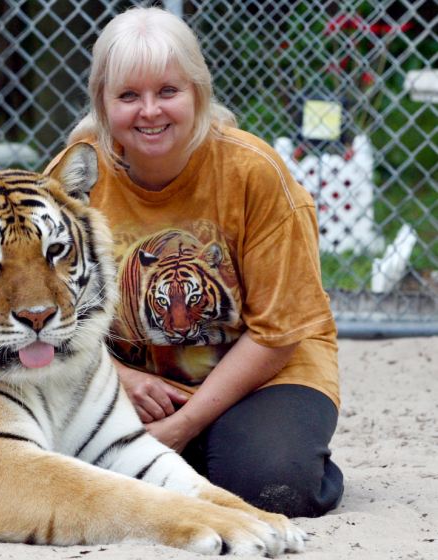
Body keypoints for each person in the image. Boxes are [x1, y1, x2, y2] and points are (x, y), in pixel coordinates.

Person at [51, 6, 343, 518]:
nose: (150, 112)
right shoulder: (76, 174)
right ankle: (206, 452)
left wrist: (179, 429)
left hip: (263, 371)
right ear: (102, 101)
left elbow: (278, 333)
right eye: (128, 95)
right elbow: (45, 305)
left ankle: (243, 445)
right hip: (130, 377)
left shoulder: (254, 172)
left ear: (198, 93)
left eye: (168, 91)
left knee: (274, 486)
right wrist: (118, 375)